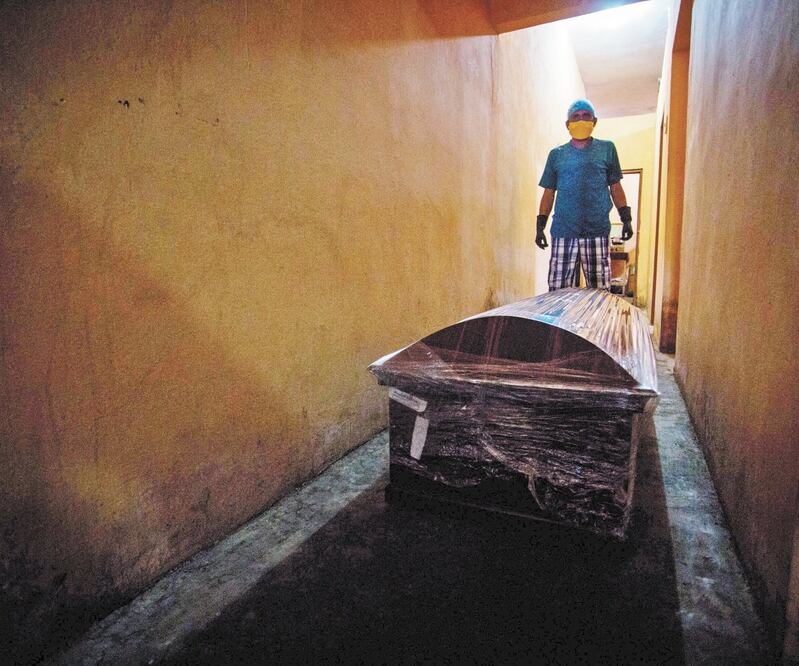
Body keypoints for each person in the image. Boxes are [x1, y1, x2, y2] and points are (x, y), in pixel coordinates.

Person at [535, 99, 633, 291]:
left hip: (596, 231)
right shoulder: (557, 155)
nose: (581, 120)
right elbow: (548, 192)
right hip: (563, 231)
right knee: (558, 292)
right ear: (567, 124)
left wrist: (626, 217)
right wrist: (540, 226)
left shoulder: (607, 149)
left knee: (599, 292)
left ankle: (596, 323)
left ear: (594, 121)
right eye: (576, 116)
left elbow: (615, 187)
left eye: (586, 116)